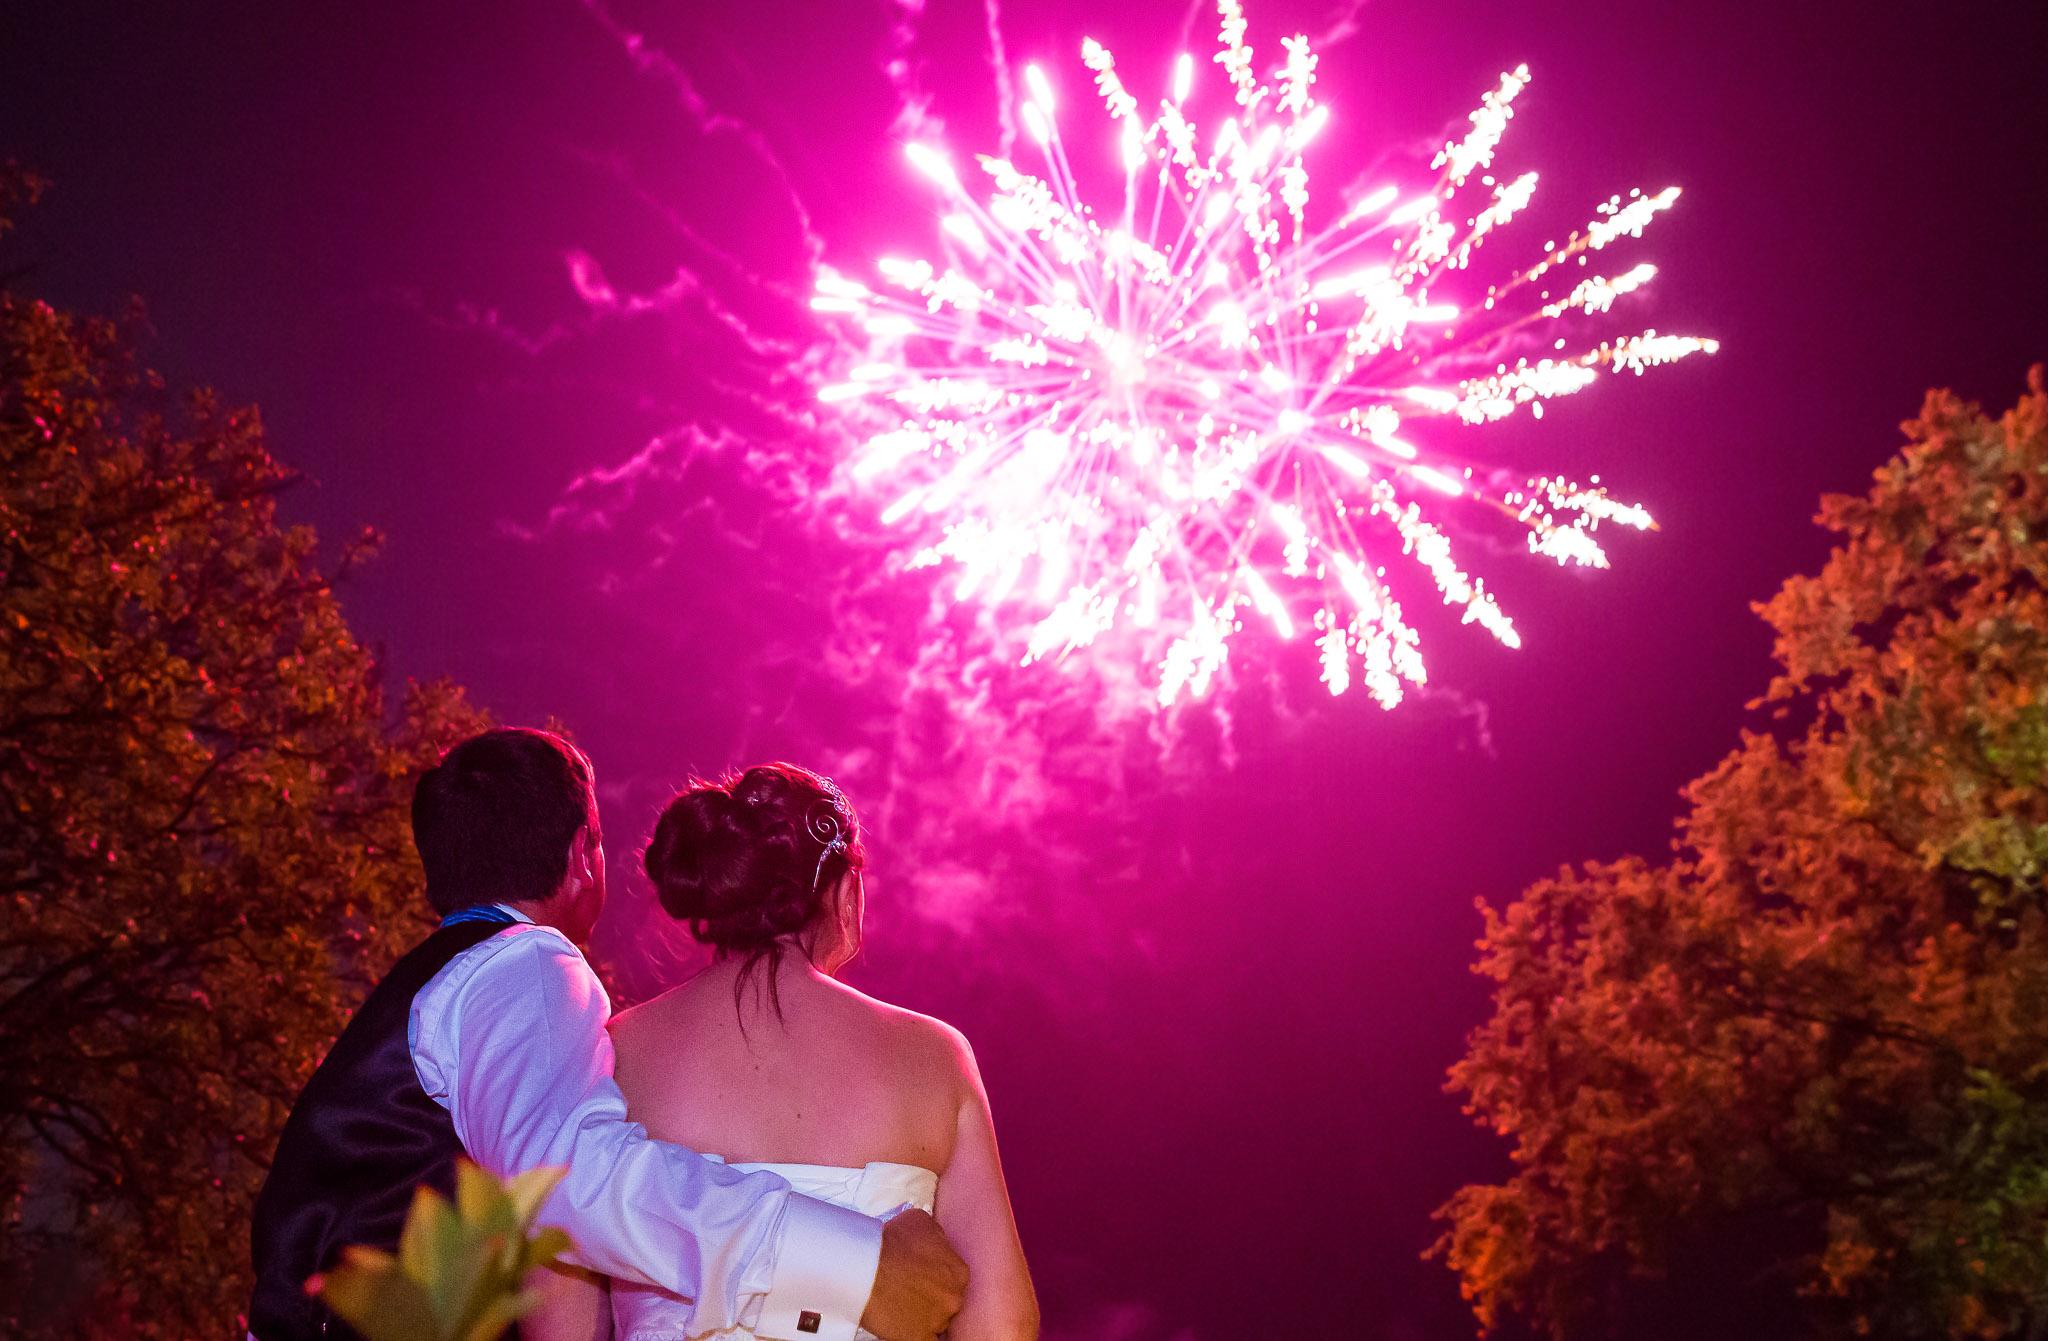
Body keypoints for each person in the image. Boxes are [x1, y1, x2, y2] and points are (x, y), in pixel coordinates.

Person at [248, 729, 967, 1341]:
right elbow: (570, 1178)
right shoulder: (523, 963)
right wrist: (853, 1265)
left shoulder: (436, 983)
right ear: (578, 858)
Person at [528, 763, 1037, 1341]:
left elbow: (558, 1318)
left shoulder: (613, 1051)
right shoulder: (933, 1055)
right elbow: (1003, 1323)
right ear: (846, 891)